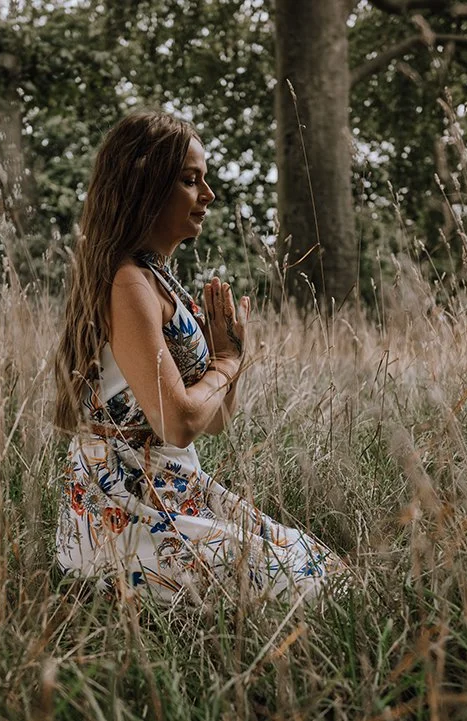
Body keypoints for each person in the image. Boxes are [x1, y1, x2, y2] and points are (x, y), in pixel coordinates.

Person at [53, 110, 344, 605]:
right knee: (308, 588)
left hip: (176, 485)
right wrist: (226, 364)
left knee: (324, 569)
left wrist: (233, 358)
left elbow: (214, 420)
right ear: (146, 187)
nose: (207, 195)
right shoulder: (127, 282)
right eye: (191, 181)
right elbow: (178, 422)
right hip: (127, 505)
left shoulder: (158, 276)